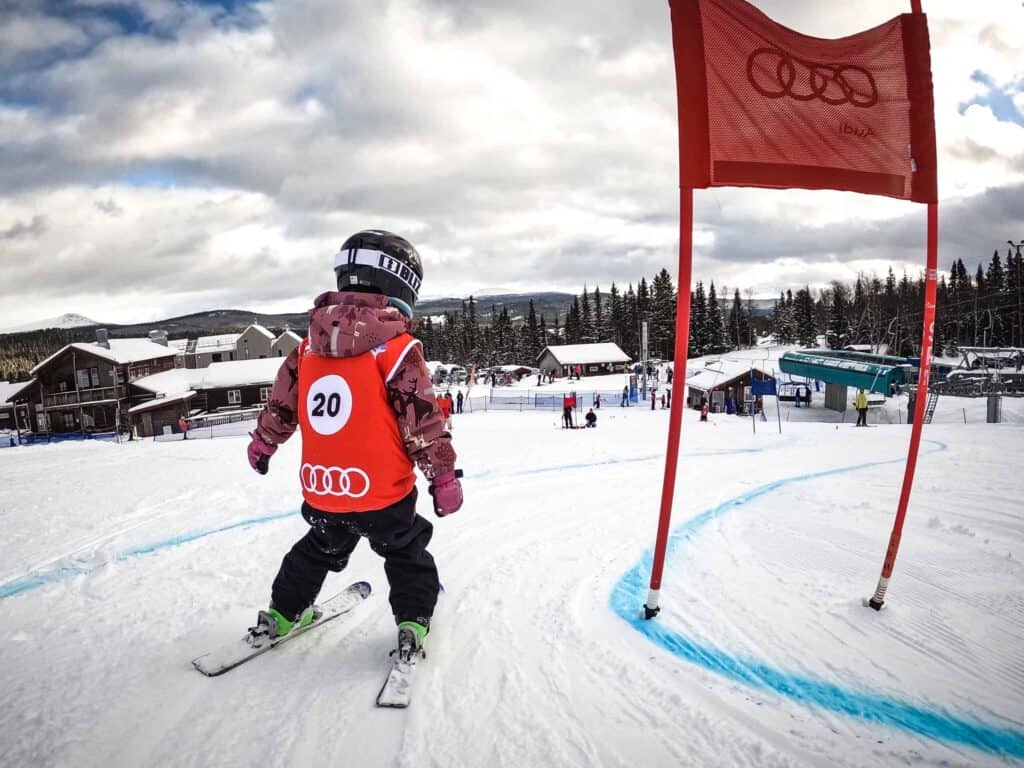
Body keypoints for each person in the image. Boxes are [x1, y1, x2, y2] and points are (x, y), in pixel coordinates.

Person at [245, 230, 462, 663]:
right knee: (405, 551)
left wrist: (264, 443)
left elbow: (282, 407)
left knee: (318, 548)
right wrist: (442, 477)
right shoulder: (396, 350)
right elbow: (422, 421)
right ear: (404, 286)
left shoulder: (306, 350)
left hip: (325, 487)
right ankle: (413, 620)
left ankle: (282, 613)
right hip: (382, 492)